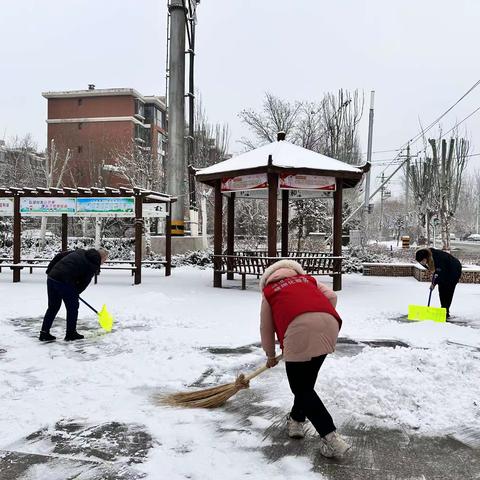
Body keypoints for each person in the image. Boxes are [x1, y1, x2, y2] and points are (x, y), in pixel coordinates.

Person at [259, 259, 350, 458]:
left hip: (297, 331)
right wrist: (315, 315)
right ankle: (297, 421)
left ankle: (330, 436)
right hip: (329, 325)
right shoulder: (308, 280)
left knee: (300, 388)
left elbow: (266, 327)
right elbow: (332, 296)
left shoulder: (270, 291)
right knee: (305, 385)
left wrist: (270, 355)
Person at [39, 248, 108, 342]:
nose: (103, 263)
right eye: (105, 260)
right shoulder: (93, 264)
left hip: (52, 277)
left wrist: (50, 270)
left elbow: (59, 255)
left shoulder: (80, 251)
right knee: (73, 307)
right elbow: (84, 283)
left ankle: (44, 333)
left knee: (53, 307)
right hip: (64, 281)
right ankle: (71, 333)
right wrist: (75, 293)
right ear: (101, 257)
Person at [415, 247, 462, 319]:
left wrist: (434, 284)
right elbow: (437, 273)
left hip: (454, 269)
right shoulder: (430, 257)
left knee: (448, 289)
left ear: (425, 257)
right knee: (442, 289)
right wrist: (434, 283)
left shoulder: (437, 258)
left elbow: (439, 273)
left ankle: (445, 311)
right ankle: (444, 310)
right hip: (444, 269)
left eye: (422, 261)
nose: (422, 263)